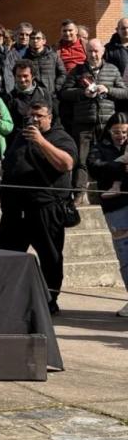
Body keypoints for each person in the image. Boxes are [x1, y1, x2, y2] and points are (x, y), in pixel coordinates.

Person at [0, 102, 76, 314]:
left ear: (49, 117)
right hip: (15, 210)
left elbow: (66, 164)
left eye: (39, 116)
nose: (33, 120)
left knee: (50, 258)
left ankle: (49, 300)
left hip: (45, 209)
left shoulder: (60, 137)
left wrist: (41, 141)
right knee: (5, 256)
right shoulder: (20, 137)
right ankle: (6, 299)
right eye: (30, 116)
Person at [61, 39, 128, 204]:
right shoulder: (77, 71)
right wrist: (82, 93)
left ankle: (111, 189)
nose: (93, 54)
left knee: (111, 158)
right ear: (86, 52)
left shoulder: (112, 70)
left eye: (96, 51)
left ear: (103, 51)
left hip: (107, 123)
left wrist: (108, 89)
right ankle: (79, 193)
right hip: (84, 122)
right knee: (82, 160)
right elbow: (64, 93)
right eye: (90, 51)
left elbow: (125, 92)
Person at [86, 112, 128, 317]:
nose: (121, 136)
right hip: (116, 208)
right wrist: (119, 165)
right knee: (125, 255)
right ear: (109, 131)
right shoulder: (99, 148)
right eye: (116, 132)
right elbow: (94, 168)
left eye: (124, 132)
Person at [7, 60, 53, 132]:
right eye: (19, 76)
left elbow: (54, 118)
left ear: (33, 76)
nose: (22, 79)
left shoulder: (44, 93)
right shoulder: (9, 97)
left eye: (25, 76)